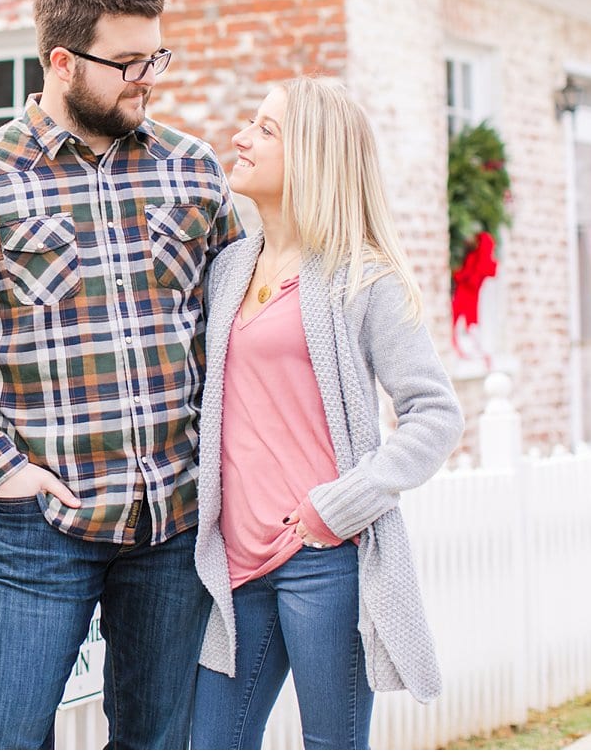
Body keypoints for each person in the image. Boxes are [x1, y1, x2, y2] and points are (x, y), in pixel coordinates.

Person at [0, 0, 242, 749]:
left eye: (155, 57)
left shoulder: (193, 169)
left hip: (173, 519)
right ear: (59, 61)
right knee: (3, 736)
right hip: (42, 524)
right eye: (125, 63)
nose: (146, 78)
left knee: (158, 741)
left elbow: (241, 324)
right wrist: (0, 468)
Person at [190, 78, 465, 750]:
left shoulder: (362, 278)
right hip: (234, 563)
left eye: (264, 129)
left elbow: (435, 414)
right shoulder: (226, 268)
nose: (240, 137)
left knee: (331, 745)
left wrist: (338, 505)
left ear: (311, 155)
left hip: (322, 557)